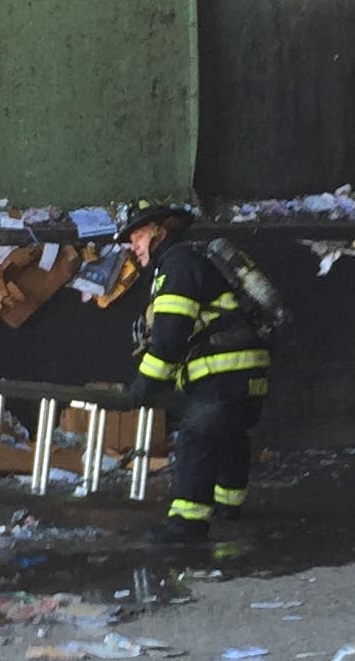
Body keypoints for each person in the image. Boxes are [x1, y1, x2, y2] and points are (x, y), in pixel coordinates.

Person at [107, 204, 270, 544]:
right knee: (229, 435)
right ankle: (229, 504)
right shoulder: (191, 260)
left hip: (223, 372)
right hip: (248, 370)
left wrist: (145, 385)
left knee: (196, 437)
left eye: (137, 235)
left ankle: (187, 522)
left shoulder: (177, 265)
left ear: (159, 231)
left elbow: (169, 336)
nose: (132, 246)